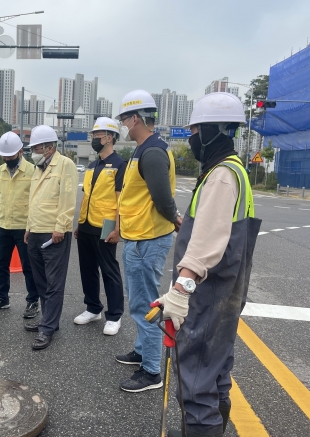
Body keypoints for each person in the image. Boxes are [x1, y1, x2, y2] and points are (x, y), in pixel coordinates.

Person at [157, 93, 261, 437]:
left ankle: (201, 431)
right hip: (227, 292)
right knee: (215, 371)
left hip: (208, 293)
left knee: (197, 378)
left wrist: (181, 289)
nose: (192, 138)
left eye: (196, 130)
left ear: (213, 131)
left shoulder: (220, 175)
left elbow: (207, 239)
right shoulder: (236, 170)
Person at [114, 90, 182, 393]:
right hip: (138, 236)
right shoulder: (142, 149)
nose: (123, 125)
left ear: (136, 118)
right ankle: (142, 351)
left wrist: (176, 220)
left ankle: (152, 370)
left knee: (145, 304)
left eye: (124, 119)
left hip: (147, 239)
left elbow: (162, 199)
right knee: (140, 301)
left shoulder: (152, 152)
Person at [23, 125, 78, 350]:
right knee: (41, 281)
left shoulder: (65, 165)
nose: (33, 151)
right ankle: (49, 321)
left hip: (53, 232)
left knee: (54, 283)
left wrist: (61, 227)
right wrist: (28, 227)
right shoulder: (38, 168)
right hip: (35, 231)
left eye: (36, 147)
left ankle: (48, 329)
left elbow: (68, 198)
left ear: (49, 147)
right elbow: (33, 201)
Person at [73, 117, 126, 336]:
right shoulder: (92, 165)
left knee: (109, 270)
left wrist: (118, 229)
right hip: (86, 224)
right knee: (87, 269)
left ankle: (114, 315)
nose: (94, 138)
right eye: (94, 135)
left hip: (105, 225)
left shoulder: (120, 165)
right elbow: (87, 197)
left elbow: (121, 200)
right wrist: (79, 224)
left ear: (110, 137)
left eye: (98, 135)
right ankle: (93, 308)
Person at [0, 132, 39, 318]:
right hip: (4, 224)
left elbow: (36, 200)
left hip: (24, 226)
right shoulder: (0, 172)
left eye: (11, 156)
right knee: (1, 264)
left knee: (28, 265)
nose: (7, 159)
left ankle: (32, 301)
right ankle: (2, 298)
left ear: (21, 152)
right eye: (4, 156)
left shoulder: (33, 171)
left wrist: (31, 225)